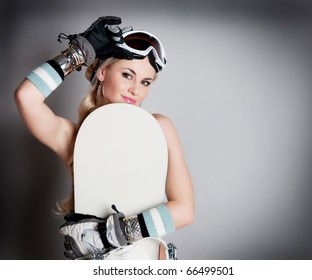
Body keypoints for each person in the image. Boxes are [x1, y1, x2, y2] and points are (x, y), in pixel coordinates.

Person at [14, 16, 194, 259]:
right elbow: (26, 97)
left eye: (145, 82)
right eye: (127, 75)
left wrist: (109, 235)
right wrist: (77, 53)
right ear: (103, 72)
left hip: (148, 261)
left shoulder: (160, 128)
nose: (136, 90)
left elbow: (185, 210)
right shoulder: (75, 138)